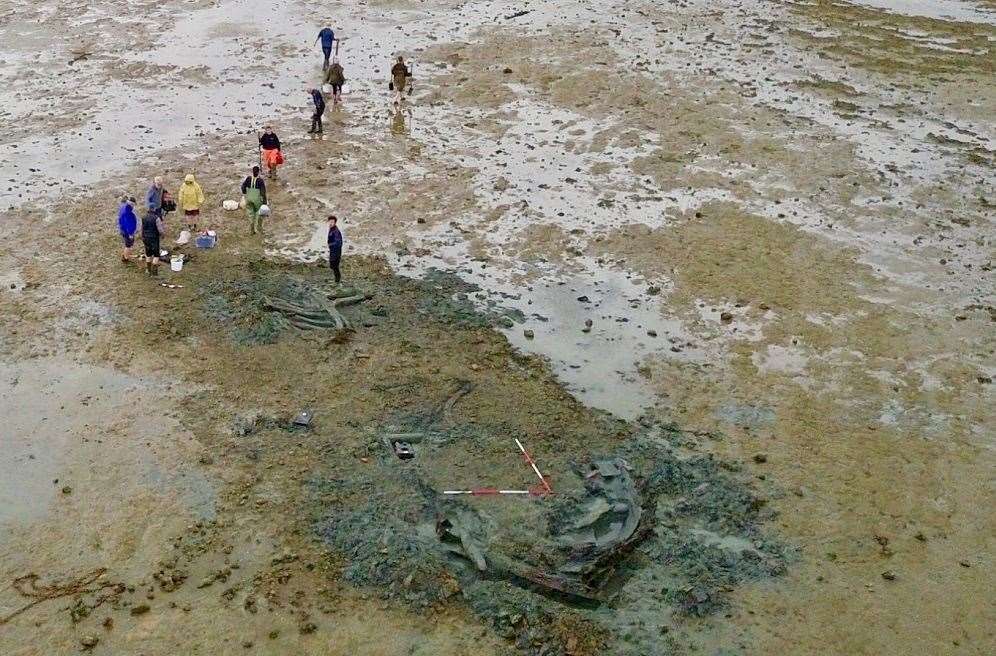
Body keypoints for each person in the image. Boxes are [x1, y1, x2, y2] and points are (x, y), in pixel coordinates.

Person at [241, 166, 268, 235]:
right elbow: (263, 192)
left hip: (249, 198)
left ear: (252, 172)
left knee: (250, 214)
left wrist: (245, 194)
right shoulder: (260, 181)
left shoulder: (248, 179)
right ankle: (259, 229)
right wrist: (265, 202)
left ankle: (251, 230)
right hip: (257, 199)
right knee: (259, 214)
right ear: (258, 172)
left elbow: (243, 187)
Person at [141, 209, 166, 277]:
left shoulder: (143, 217)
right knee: (156, 255)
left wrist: (143, 236)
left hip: (145, 238)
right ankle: (154, 273)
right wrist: (163, 235)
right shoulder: (156, 218)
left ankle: (148, 270)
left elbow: (142, 228)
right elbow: (160, 229)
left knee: (148, 254)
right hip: (154, 238)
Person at [117, 196, 138, 262]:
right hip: (127, 232)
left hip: (122, 228)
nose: (134, 206)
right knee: (128, 245)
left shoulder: (123, 206)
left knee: (128, 244)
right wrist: (130, 234)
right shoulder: (128, 213)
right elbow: (129, 225)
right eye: (133, 205)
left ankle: (126, 255)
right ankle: (126, 258)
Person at [327, 215, 343, 284]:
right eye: (330, 222)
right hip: (333, 251)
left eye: (332, 222)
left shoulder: (336, 231)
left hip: (336, 251)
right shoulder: (332, 229)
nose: (331, 223)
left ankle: (337, 281)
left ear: (335, 223)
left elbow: (338, 242)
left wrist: (330, 245)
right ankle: (337, 280)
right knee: (333, 266)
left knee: (334, 266)